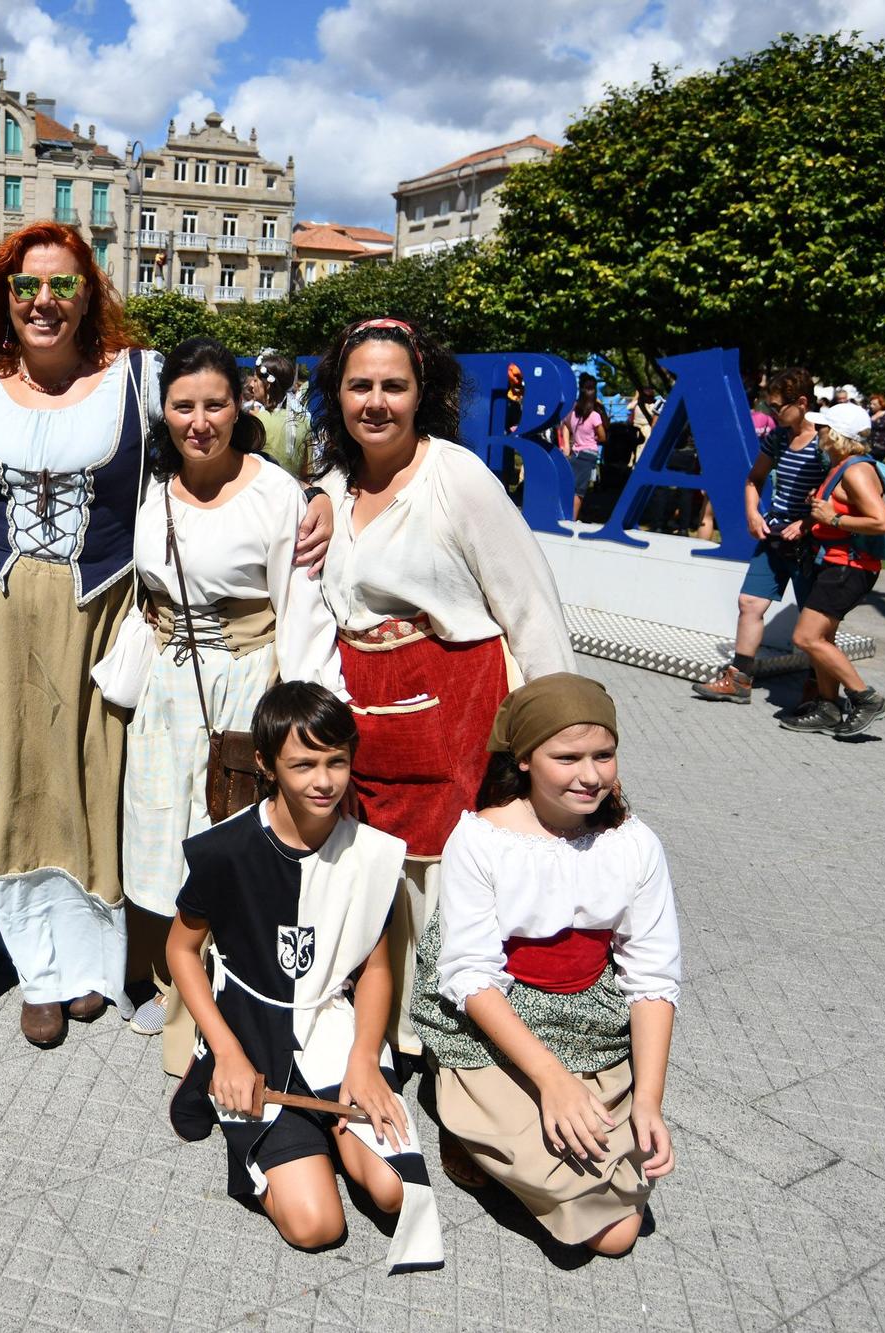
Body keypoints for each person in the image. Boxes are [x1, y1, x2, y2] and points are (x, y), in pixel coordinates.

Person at [0, 221, 334, 1048]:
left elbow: (238, 428)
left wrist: (325, 490)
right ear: (3, 297)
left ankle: (96, 960)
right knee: (14, 781)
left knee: (96, 783)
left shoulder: (139, 374)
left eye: (63, 285)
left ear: (91, 292)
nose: (44, 301)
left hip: (103, 614)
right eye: (26, 287)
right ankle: (38, 969)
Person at [310, 315, 574, 1053]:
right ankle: (386, 1032)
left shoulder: (457, 476)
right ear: (337, 391)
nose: (376, 401)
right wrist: (326, 488)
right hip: (360, 700)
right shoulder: (331, 481)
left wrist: (566, 729)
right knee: (376, 874)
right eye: (359, 384)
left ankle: (459, 1046)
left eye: (394, 385)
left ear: (422, 392)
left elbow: (528, 601)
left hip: (452, 696)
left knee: (449, 882)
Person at [114, 337, 340, 1072]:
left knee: (229, 830)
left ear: (240, 405)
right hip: (170, 682)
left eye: (215, 403)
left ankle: (230, 991)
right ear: (165, 412)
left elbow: (298, 603)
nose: (200, 420)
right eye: (184, 405)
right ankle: (167, 978)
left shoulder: (277, 494)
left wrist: (305, 710)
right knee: (160, 828)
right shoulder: (151, 491)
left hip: (245, 680)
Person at [167, 682, 441, 1269]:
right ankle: (278, 1137)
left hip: (332, 1026)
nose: (323, 780)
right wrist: (227, 1052)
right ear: (266, 764)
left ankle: (323, 1131)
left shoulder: (371, 855)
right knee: (317, 1226)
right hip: (249, 1031)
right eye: (303, 764)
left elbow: (373, 968)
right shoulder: (225, 851)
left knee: (395, 1194)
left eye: (336, 762)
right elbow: (183, 952)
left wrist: (366, 1058)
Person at [417, 673, 679, 1257]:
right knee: (612, 1230)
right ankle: (461, 1110)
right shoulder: (483, 841)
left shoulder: (633, 845)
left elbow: (653, 976)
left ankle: (508, 1139)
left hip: (587, 1022)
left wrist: (648, 1100)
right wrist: (553, 1081)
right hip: (492, 1023)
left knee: (618, 1230)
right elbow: (472, 976)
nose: (590, 775)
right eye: (567, 757)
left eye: (603, 755)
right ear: (526, 760)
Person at [692, 368, 822, 704]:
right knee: (749, 602)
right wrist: (753, 513)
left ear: (802, 402)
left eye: (778, 406)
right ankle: (739, 679)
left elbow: (838, 494)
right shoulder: (777, 438)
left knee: (815, 620)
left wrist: (807, 523)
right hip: (775, 535)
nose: (772, 413)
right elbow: (754, 479)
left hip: (813, 541)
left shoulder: (826, 441)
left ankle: (820, 686)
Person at [782, 401, 885, 736]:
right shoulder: (840, 466)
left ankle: (865, 698)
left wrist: (831, 518)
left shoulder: (856, 470)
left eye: (822, 428)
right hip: (833, 562)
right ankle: (828, 707)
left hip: (849, 567)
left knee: (806, 636)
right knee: (823, 637)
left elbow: (882, 521)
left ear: (836, 435)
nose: (817, 433)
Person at [250, 351, 310, 480]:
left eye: (255, 380)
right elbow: (307, 472)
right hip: (295, 494)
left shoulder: (257, 422)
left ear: (268, 384)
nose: (251, 385)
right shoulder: (303, 420)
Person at [556, 373, 605, 520]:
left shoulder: (573, 413)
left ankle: (564, 515)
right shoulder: (595, 415)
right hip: (589, 454)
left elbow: (565, 425)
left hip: (576, 452)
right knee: (579, 491)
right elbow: (603, 437)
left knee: (570, 487)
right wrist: (593, 436)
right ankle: (572, 519)